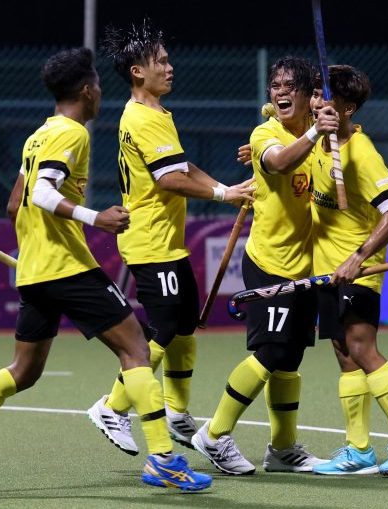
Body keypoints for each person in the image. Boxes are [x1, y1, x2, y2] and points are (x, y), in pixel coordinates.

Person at [0, 47, 212, 492]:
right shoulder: (73, 133)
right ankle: (164, 459)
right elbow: (42, 195)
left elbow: (15, 204)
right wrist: (96, 218)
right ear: (87, 90)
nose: (101, 93)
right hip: (67, 268)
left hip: (36, 272)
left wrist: (37, 245)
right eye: (99, 86)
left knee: (24, 370)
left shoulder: (38, 136)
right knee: (137, 350)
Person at [87, 19, 254, 456]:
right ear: (137, 72)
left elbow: (182, 166)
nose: (169, 67)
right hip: (150, 241)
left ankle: (176, 410)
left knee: (183, 327)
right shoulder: (142, 118)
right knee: (161, 331)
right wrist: (222, 194)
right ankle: (112, 407)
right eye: (160, 61)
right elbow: (169, 180)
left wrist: (228, 189)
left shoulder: (157, 114)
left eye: (167, 59)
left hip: (167, 241)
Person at [191, 56, 335, 475]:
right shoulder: (265, 133)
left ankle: (283, 448)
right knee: (270, 352)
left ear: (309, 95)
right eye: (275, 85)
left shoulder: (320, 135)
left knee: (290, 359)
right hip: (271, 264)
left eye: (291, 86)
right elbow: (278, 162)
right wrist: (315, 130)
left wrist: (327, 126)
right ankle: (214, 434)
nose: (280, 92)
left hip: (307, 266)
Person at [306, 65, 388, 476]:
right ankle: (358, 449)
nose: (316, 104)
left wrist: (357, 257)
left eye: (326, 99)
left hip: (355, 270)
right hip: (326, 270)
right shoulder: (319, 141)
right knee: (344, 355)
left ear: (348, 109)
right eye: (315, 96)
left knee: (362, 349)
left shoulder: (362, 153)